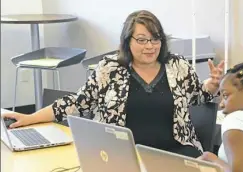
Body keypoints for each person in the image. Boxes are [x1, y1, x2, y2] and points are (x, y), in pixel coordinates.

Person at [2, 10, 224, 158]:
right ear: (127, 41)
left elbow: (198, 95)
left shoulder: (178, 65)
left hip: (175, 154)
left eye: (156, 39)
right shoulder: (110, 68)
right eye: (142, 40)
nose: (150, 46)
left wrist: (213, 84)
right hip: (123, 156)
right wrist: (30, 117)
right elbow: (76, 103)